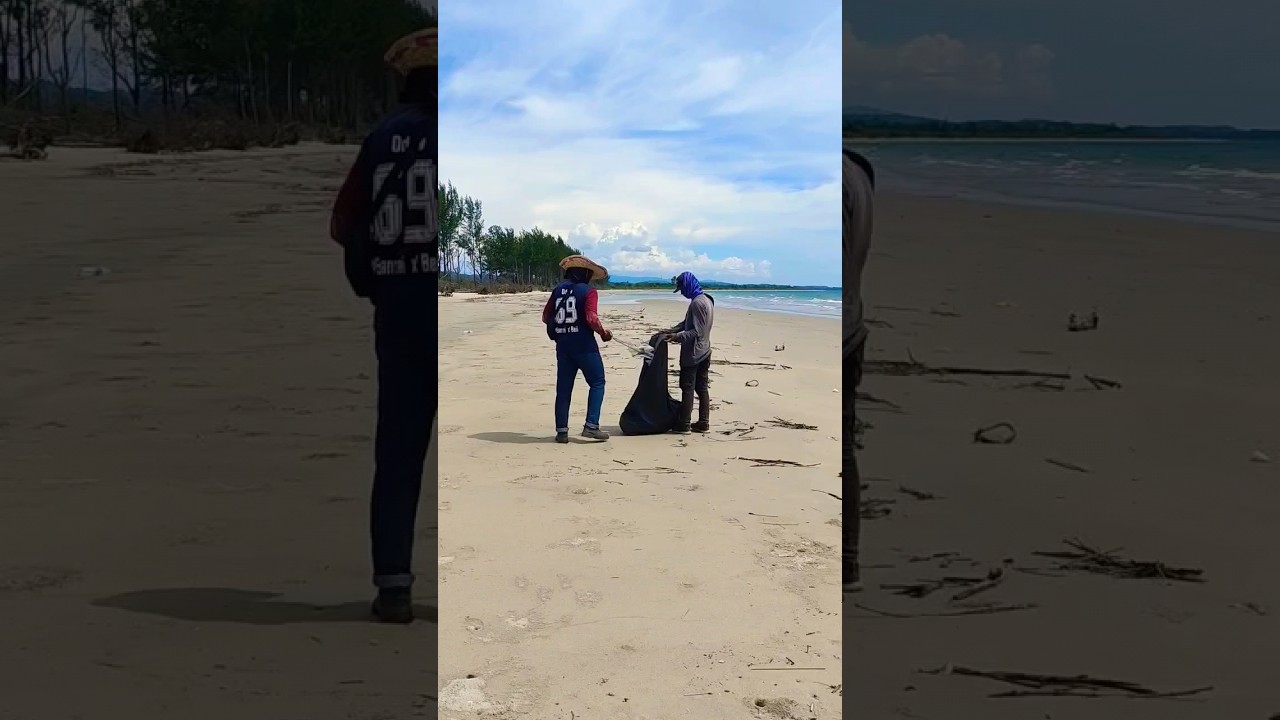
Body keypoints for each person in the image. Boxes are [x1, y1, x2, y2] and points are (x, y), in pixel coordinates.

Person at [328, 27, 437, 624]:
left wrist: (379, 279)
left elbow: (345, 223)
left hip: (398, 310)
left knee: (398, 452)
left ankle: (393, 586)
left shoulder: (381, 137)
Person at [843, 147, 875, 594]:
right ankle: (848, 561)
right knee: (846, 446)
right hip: (852, 326)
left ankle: (846, 559)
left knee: (842, 450)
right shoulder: (859, 172)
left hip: (845, 331)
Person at [542, 255, 614, 443]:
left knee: (564, 390)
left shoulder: (557, 290)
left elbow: (545, 317)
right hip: (584, 346)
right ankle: (591, 426)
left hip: (563, 346)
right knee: (598, 383)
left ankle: (562, 432)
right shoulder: (589, 292)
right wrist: (603, 334)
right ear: (586, 274)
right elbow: (591, 318)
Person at [664, 271, 715, 434]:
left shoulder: (697, 303)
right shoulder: (706, 300)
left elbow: (696, 331)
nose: (682, 293)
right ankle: (703, 422)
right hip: (705, 350)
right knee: (702, 388)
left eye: (682, 289)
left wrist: (677, 337)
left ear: (687, 285)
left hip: (694, 354)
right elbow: (688, 323)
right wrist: (672, 329)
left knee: (687, 387)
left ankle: (684, 424)